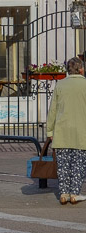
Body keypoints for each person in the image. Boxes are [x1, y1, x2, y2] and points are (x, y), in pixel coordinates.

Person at [46, 55, 86, 205]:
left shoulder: (60, 85)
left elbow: (53, 110)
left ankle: (63, 193)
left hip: (62, 132)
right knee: (78, 164)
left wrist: (50, 131)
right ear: (81, 69)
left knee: (62, 165)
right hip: (81, 132)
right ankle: (75, 194)